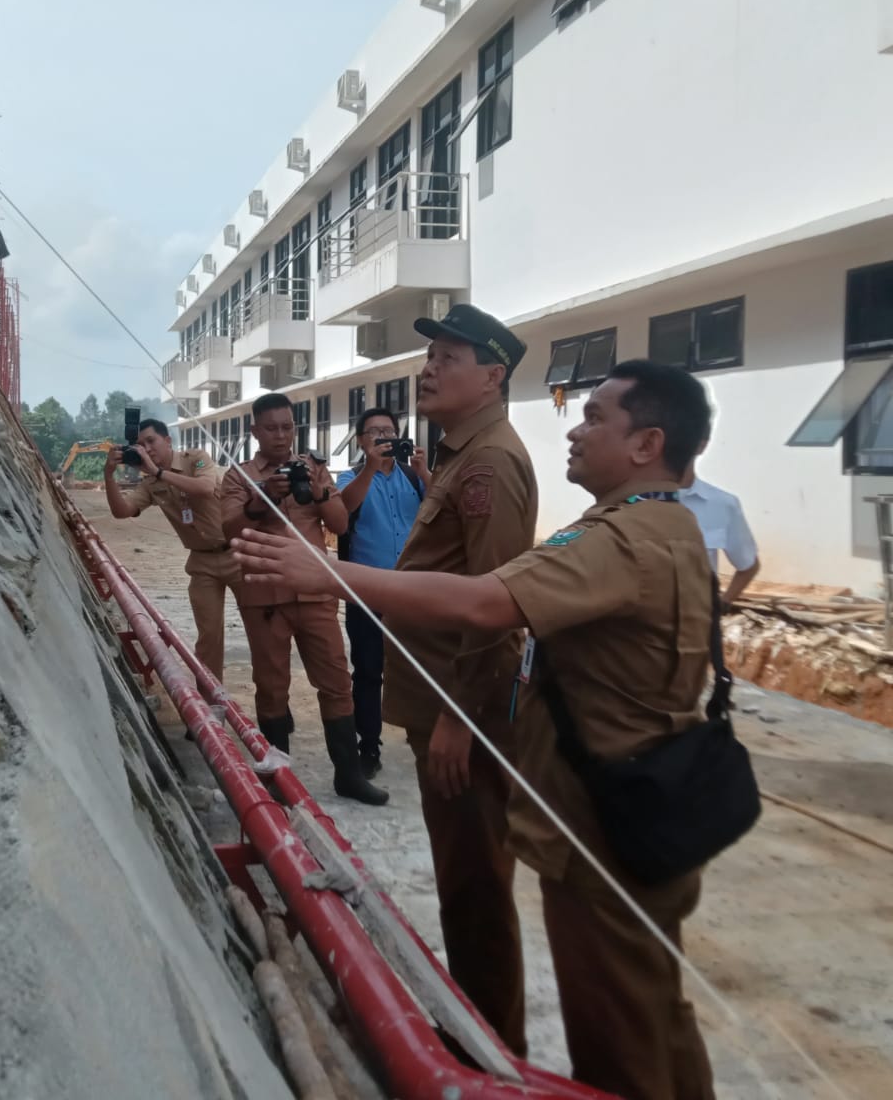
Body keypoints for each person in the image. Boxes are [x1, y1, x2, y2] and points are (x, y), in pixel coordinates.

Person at [233, 359, 720, 1100]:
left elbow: (486, 603)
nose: (576, 428)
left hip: (605, 822)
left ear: (648, 443)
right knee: (653, 1011)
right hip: (638, 804)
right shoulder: (663, 524)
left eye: (596, 418)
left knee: (618, 1034)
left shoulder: (621, 537)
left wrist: (325, 575)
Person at [372, 305, 536, 1054]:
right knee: (460, 880)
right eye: (429, 354)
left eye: (448, 356)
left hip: (460, 711)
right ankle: (472, 1030)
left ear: (492, 376)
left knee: (474, 890)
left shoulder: (491, 463)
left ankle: (489, 1054)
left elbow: (497, 603)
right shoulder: (458, 451)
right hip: (441, 700)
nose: (428, 368)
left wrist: (457, 719)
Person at [220, 393, 388, 806]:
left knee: (335, 682)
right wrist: (265, 497)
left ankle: (348, 775)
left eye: (287, 427)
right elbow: (229, 530)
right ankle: (278, 781)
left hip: (315, 594)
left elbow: (340, 523)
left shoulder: (313, 468)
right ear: (255, 431)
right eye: (271, 428)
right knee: (272, 686)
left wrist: (320, 492)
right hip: (265, 596)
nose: (280, 435)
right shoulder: (238, 477)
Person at [103, 418, 242, 682]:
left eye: (151, 441)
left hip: (237, 555)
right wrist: (108, 475)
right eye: (140, 445)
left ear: (168, 441)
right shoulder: (150, 485)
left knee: (260, 626)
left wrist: (158, 472)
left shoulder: (196, 459)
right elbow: (122, 512)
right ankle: (211, 705)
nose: (146, 449)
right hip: (202, 564)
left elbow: (205, 487)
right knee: (208, 638)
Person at [335, 405, 430, 778]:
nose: (383, 437)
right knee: (369, 671)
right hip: (367, 591)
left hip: (411, 590)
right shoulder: (350, 476)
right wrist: (372, 467)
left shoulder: (411, 476)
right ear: (361, 441)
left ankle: (421, 733)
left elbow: (442, 505)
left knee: (417, 666)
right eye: (374, 432)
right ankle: (368, 746)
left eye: (388, 431)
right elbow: (344, 510)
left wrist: (425, 472)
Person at [680, 441, 761, 612]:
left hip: (697, 624)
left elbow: (748, 564)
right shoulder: (628, 502)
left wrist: (723, 603)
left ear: (701, 444)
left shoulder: (722, 504)